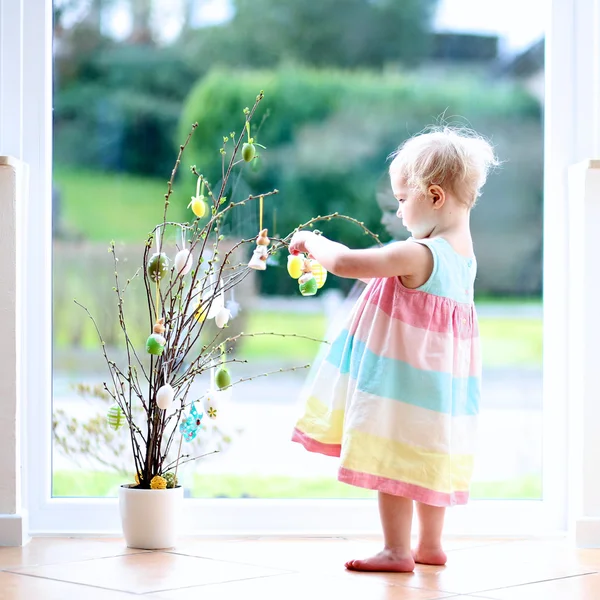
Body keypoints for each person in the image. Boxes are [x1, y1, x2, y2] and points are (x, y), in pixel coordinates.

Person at [289, 126, 498, 573]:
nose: (399, 211)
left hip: (402, 385)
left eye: (403, 199)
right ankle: (431, 545)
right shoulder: (462, 254)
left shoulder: (418, 252)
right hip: (441, 391)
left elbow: (346, 263)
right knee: (425, 457)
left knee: (392, 457)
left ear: (435, 196)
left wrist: (311, 241)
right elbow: (401, 288)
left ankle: (396, 550)